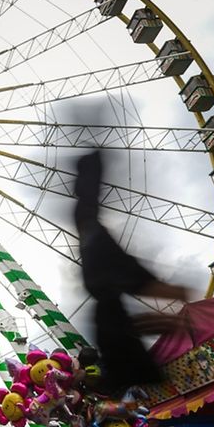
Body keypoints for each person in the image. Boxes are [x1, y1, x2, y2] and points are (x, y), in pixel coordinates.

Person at [74, 150, 190, 395]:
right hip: (109, 304)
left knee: (121, 325)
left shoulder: (93, 237)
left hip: (107, 300)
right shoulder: (91, 234)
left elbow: (124, 271)